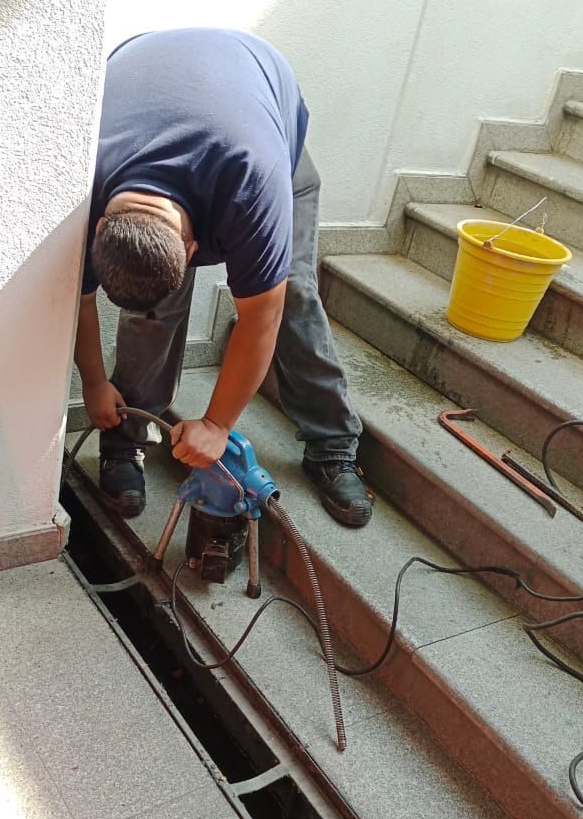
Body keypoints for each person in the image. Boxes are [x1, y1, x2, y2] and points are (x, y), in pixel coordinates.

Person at [74, 28, 372, 529]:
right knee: (154, 311)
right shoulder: (78, 181)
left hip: (255, 109)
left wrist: (217, 425)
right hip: (160, 82)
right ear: (101, 226)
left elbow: (263, 315)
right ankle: (125, 444)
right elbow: (77, 300)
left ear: (193, 252)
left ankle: (332, 444)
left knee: (292, 292)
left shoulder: (253, 179)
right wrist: (93, 382)